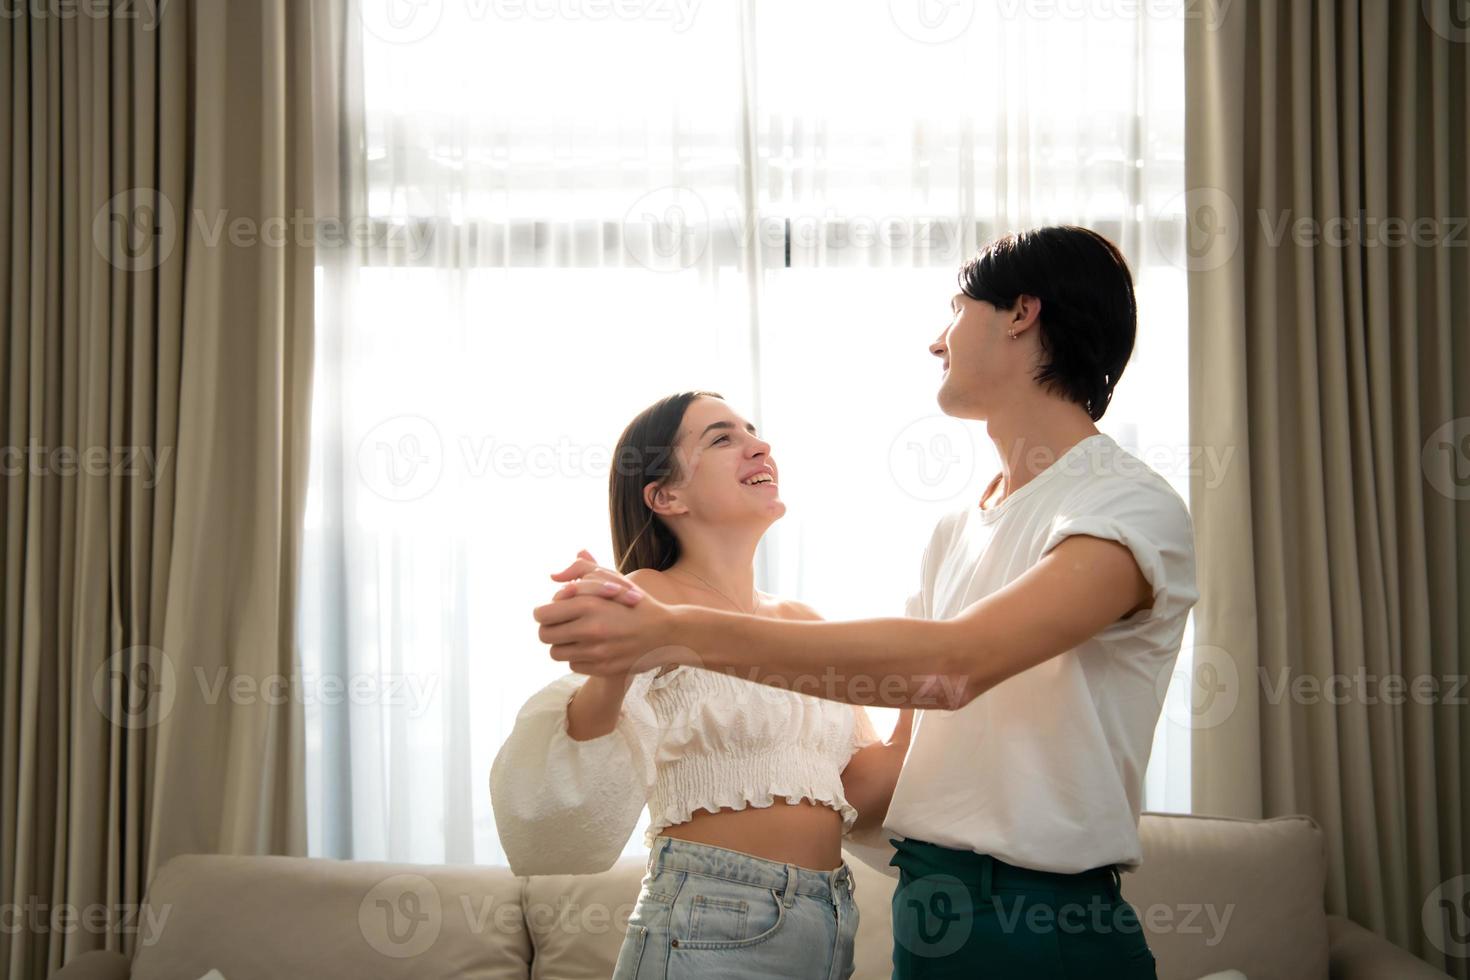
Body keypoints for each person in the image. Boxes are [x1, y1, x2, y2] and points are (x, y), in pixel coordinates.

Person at [533, 226, 1200, 979]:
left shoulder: (1125, 505)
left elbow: (952, 668)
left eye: (955, 310)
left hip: (1038, 920)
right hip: (925, 914)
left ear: (1020, 313)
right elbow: (890, 773)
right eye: (725, 439)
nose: (935, 342)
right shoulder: (956, 533)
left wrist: (676, 633)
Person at [490, 391, 914, 980]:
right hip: (708, 916)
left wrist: (933, 690)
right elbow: (586, 751)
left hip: (828, 918)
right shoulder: (649, 596)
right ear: (665, 496)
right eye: (722, 438)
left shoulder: (804, 623)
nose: (758, 445)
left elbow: (854, 789)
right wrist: (611, 658)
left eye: (752, 432)